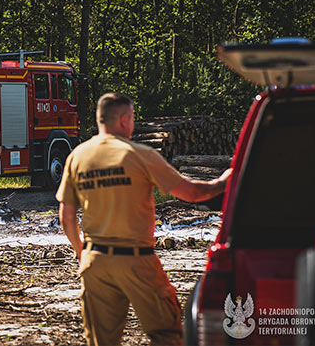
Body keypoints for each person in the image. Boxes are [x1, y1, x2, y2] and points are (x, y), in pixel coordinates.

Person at [56, 93, 232, 346]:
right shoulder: (139, 154)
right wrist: (223, 182)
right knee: (167, 334)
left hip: (95, 262)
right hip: (135, 258)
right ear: (124, 119)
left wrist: (80, 252)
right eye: (133, 118)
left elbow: (67, 216)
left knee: (100, 341)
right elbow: (192, 193)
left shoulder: (78, 156)